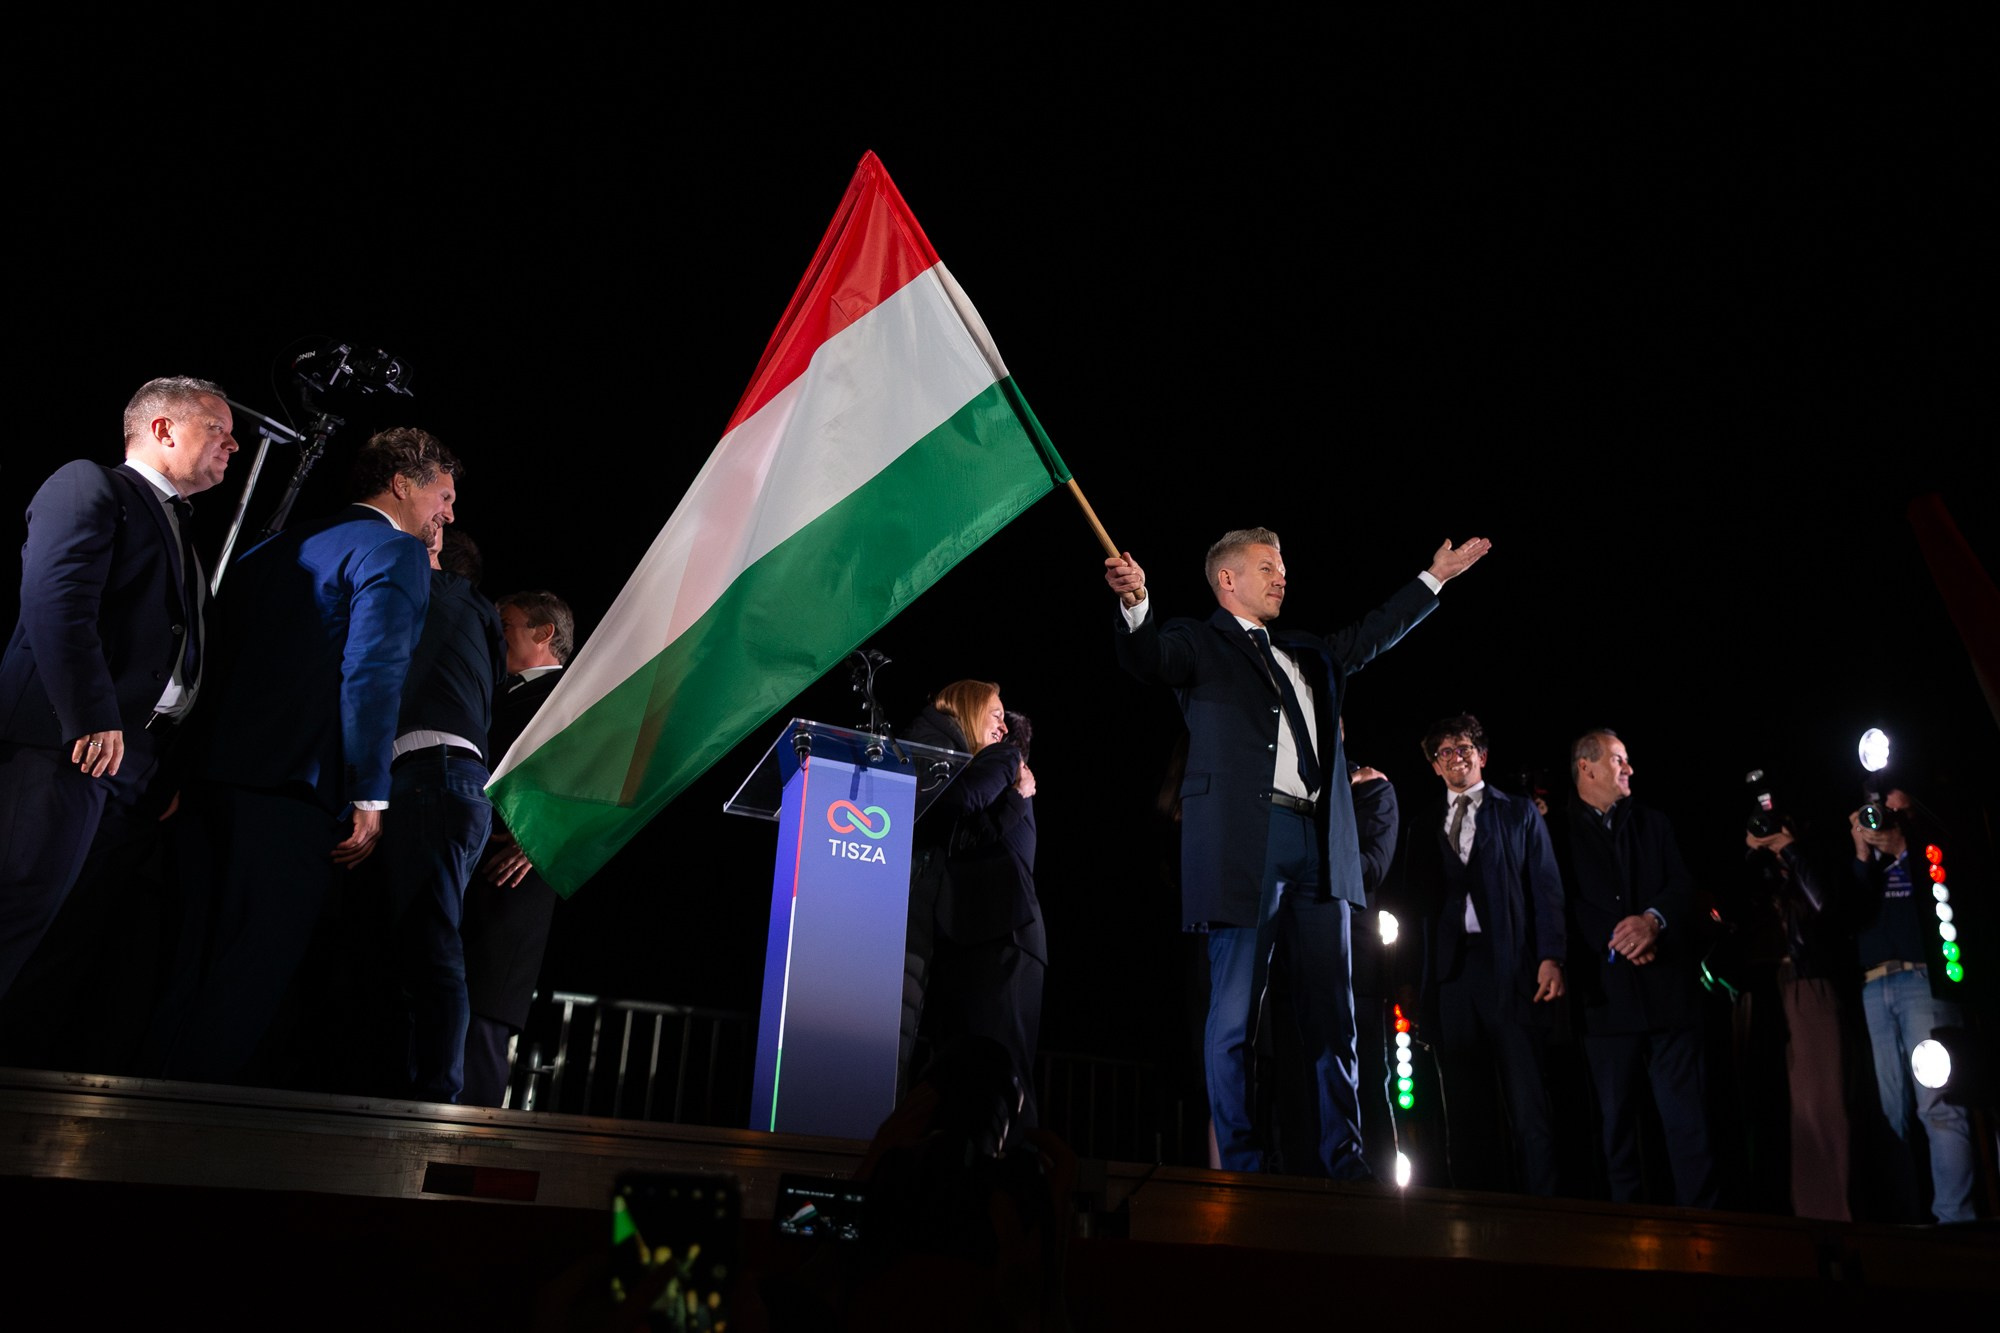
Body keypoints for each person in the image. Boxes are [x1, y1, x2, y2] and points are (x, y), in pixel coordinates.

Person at [1105, 528, 1491, 1177]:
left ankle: (1346, 1155)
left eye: (1282, 568)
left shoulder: (1308, 652)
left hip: (1318, 842)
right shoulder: (1199, 643)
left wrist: (1435, 577)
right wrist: (1138, 603)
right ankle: (1242, 1159)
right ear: (1227, 581)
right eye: (1266, 568)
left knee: (1335, 1014)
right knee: (1233, 1017)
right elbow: (1148, 658)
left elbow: (1373, 632)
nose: (1281, 578)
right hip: (1243, 846)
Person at [147, 427, 455, 1083]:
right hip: (292, 798)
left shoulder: (273, 545)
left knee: (179, 967)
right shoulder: (394, 551)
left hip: (205, 787)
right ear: (402, 484)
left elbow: (214, 664)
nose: (448, 513)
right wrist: (372, 792)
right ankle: (177, 1150)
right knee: (247, 974)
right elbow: (372, 674)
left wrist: (179, 769)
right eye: (444, 494)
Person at [1, 376, 237, 1001]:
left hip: (131, 763)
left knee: (67, 932)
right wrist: (89, 714)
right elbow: (57, 600)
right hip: (68, 742)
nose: (233, 445)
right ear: (163, 430)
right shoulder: (91, 484)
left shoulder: (181, 525)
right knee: (17, 904)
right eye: (218, 429)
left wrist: (159, 769)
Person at [1402, 714, 1566, 1195]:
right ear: (1435, 766)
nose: (1456, 758)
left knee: (1529, 1104)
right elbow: (1412, 910)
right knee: (1465, 1107)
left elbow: (1546, 889)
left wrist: (1551, 956)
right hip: (1453, 979)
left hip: (1511, 969)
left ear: (1483, 756)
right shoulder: (1423, 824)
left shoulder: (1518, 813)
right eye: (1445, 752)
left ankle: (1545, 1210)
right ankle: (1475, 1216)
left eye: (1465, 749)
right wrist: (1411, 980)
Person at [1554, 729, 1718, 1208]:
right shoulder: (1557, 835)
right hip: (1606, 1007)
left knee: (1690, 1128)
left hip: (1669, 1001)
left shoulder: (1655, 823)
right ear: (1586, 768)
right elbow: (1563, 904)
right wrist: (1622, 938)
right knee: (1617, 1133)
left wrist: (1652, 921)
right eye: (1618, 759)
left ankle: (1706, 1233)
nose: (1628, 769)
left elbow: (1682, 884)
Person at [376, 527, 507, 1102]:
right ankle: (420, 1086)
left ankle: (435, 1095)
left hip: (436, 777)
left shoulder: (447, 595)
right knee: (421, 938)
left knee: (431, 941)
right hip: (452, 781)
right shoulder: (479, 619)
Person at [900, 680, 1043, 1125]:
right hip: (981, 936)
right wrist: (1016, 799)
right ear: (967, 706)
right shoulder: (969, 762)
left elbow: (961, 804)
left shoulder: (1003, 758)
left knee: (1002, 1071)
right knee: (973, 1072)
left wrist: (1017, 795)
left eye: (1005, 718)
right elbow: (968, 829)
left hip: (1005, 934)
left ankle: (1016, 1177)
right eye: (994, 714)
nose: (1003, 727)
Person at [459, 588, 575, 1107]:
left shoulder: (573, 696)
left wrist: (543, 838)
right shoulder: (495, 689)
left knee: (481, 1025)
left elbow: (602, 777)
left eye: (506, 625)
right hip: (470, 869)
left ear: (544, 633)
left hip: (512, 886)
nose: (494, 633)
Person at [1846, 786, 1976, 1223]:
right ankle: (1902, 1225)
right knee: (1888, 1114)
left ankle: (1955, 1221)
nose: (1885, 820)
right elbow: (1848, 914)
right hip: (1873, 985)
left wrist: (1904, 846)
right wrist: (1862, 855)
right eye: (1880, 814)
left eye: (1897, 813)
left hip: (1922, 979)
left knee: (1938, 1105)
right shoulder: (1869, 867)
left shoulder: (1930, 850)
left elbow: (1946, 891)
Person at [1742, 819, 1851, 1221]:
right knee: (1772, 1115)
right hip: (1760, 992)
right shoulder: (1757, 874)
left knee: (1821, 1108)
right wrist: (1754, 855)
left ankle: (1830, 1221)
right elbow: (1735, 913)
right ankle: (1782, 1223)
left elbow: (1827, 905)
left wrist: (1790, 849)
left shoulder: (1811, 864)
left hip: (1807, 985)